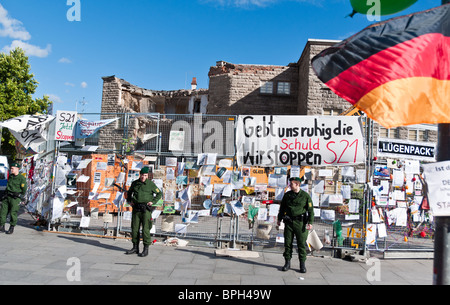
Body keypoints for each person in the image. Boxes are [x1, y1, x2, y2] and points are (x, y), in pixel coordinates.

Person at [277, 177, 314, 273]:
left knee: (301, 244)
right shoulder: (287, 195)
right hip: (289, 223)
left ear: (297, 184)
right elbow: (282, 208)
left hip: (300, 223)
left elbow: (310, 211)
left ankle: (302, 265)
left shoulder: (305, 196)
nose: (289, 185)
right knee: (287, 243)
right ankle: (287, 263)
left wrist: (310, 222)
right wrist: (279, 219)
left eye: (291, 184)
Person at [126, 166, 162, 257]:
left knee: (145, 229)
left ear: (147, 175)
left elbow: (159, 193)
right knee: (134, 229)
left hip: (145, 210)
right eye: (142, 175)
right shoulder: (135, 183)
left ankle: (145, 249)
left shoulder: (150, 184)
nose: (143, 177)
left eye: (145, 175)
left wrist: (153, 202)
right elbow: (129, 193)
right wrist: (129, 201)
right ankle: (135, 247)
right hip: (136, 209)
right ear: (140, 175)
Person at [0, 162, 27, 235]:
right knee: (3, 211)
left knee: (13, 213)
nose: (11, 170)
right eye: (11, 168)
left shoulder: (21, 178)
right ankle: (1, 226)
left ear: (17, 169)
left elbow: (24, 188)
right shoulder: (11, 176)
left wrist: (21, 196)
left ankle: (11, 227)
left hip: (15, 198)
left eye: (13, 168)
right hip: (7, 196)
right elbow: (8, 185)